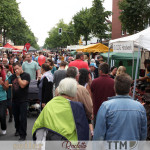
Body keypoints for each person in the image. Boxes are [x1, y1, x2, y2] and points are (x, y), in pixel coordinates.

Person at [93, 73, 147, 140]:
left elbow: (99, 135)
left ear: (114, 88)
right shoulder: (140, 108)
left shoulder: (106, 107)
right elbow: (143, 135)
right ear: (130, 89)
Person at [11, 62, 30, 141]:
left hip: (23, 100)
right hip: (15, 100)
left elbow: (22, 85)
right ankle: (17, 130)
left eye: (17, 68)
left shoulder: (26, 75)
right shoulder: (12, 76)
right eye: (14, 69)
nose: (16, 70)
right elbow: (12, 86)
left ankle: (23, 134)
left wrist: (18, 76)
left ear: (21, 67)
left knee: (23, 118)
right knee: (16, 117)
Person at [0, 65, 9, 135]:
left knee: (2, 115)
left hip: (2, 99)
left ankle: (3, 128)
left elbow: (6, 88)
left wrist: (2, 83)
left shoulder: (4, 77)